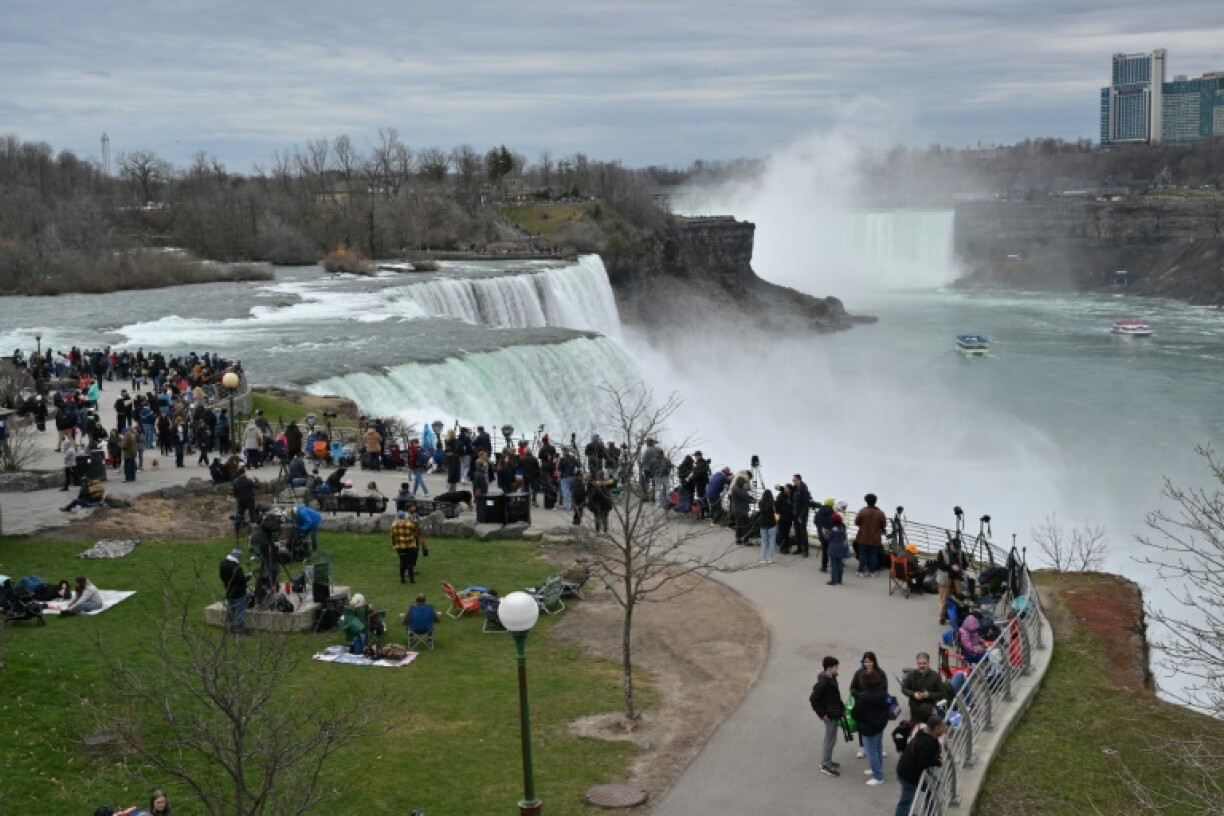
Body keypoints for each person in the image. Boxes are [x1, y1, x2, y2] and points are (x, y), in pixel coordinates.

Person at [895, 716, 946, 816]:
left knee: (935, 786)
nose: (945, 729)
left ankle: (925, 812)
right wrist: (937, 762)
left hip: (907, 770)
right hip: (909, 776)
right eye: (943, 727)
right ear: (936, 728)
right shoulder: (927, 743)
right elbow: (923, 762)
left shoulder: (924, 733)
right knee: (905, 801)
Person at [809, 655, 845, 777]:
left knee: (832, 739)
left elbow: (836, 697)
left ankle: (828, 760)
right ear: (828, 668)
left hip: (834, 712)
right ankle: (825, 764)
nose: (837, 669)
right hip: (829, 715)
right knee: (829, 740)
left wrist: (842, 708)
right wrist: (822, 714)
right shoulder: (823, 682)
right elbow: (813, 699)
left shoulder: (832, 678)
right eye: (835, 667)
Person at [854, 668, 890, 785]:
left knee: (871, 751)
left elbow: (855, 713)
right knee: (878, 748)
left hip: (868, 727)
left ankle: (878, 776)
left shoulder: (863, 697)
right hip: (880, 724)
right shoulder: (882, 692)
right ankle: (877, 769)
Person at [901, 651, 946, 724]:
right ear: (917, 663)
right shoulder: (911, 675)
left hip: (929, 710)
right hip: (914, 708)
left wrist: (929, 695)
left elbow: (941, 694)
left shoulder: (936, 676)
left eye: (924, 663)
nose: (922, 665)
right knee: (914, 729)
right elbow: (904, 689)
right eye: (919, 664)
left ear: (928, 663)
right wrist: (913, 694)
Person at [936, 535, 968, 624]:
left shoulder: (961, 553)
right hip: (945, 577)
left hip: (957, 577)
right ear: (950, 544)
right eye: (955, 547)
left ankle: (957, 615)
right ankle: (942, 617)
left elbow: (965, 564)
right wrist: (951, 567)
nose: (957, 549)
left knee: (959, 597)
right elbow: (939, 565)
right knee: (944, 598)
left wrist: (961, 567)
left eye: (958, 548)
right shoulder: (942, 552)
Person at [854, 493, 887, 577]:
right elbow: (883, 525)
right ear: (875, 502)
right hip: (875, 538)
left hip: (863, 537)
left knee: (863, 554)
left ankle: (861, 571)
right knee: (873, 555)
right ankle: (872, 571)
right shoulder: (880, 513)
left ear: (866, 501)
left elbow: (857, 522)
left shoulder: (863, 511)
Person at [219, 546, 249, 635]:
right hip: (239, 593)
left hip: (229, 591)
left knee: (230, 611)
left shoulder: (222, 564)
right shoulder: (237, 568)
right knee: (240, 612)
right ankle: (240, 631)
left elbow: (222, 577)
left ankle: (229, 628)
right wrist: (248, 577)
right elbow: (241, 581)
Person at [390, 508, 422, 584]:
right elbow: (418, 529)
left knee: (402, 562)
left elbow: (392, 535)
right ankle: (412, 580)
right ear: (404, 516)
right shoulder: (409, 524)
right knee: (410, 562)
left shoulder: (394, 524)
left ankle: (402, 580)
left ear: (398, 517)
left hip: (399, 546)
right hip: (410, 545)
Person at [791, 474, 812, 557]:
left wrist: (801, 516)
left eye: (795, 480)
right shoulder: (796, 489)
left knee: (803, 532)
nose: (793, 481)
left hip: (801, 515)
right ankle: (799, 548)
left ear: (799, 480)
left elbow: (805, 505)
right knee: (797, 532)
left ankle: (806, 550)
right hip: (795, 513)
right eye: (793, 480)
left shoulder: (804, 490)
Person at [825, 513, 849, 585]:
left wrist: (825, 533)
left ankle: (833, 580)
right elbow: (844, 537)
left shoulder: (833, 529)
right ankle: (839, 579)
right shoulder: (843, 528)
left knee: (834, 565)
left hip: (833, 548)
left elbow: (828, 538)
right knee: (839, 564)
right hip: (841, 547)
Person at [813, 498, 835, 572]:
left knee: (825, 550)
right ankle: (835, 566)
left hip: (822, 533)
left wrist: (820, 528)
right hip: (831, 534)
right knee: (832, 549)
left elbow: (815, 521)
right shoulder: (833, 512)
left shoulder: (820, 511)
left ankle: (824, 566)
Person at [730, 476, 753, 544]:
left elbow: (746, 496)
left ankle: (738, 539)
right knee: (746, 525)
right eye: (744, 483)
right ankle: (746, 540)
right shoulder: (737, 489)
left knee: (739, 525)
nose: (744, 485)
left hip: (737, 509)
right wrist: (753, 500)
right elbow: (745, 497)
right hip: (740, 510)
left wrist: (751, 498)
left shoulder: (736, 488)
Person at [757, 488, 778, 563]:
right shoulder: (773, 503)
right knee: (772, 540)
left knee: (764, 541)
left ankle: (763, 557)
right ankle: (771, 558)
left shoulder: (760, 503)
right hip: (772, 523)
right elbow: (776, 513)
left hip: (763, 523)